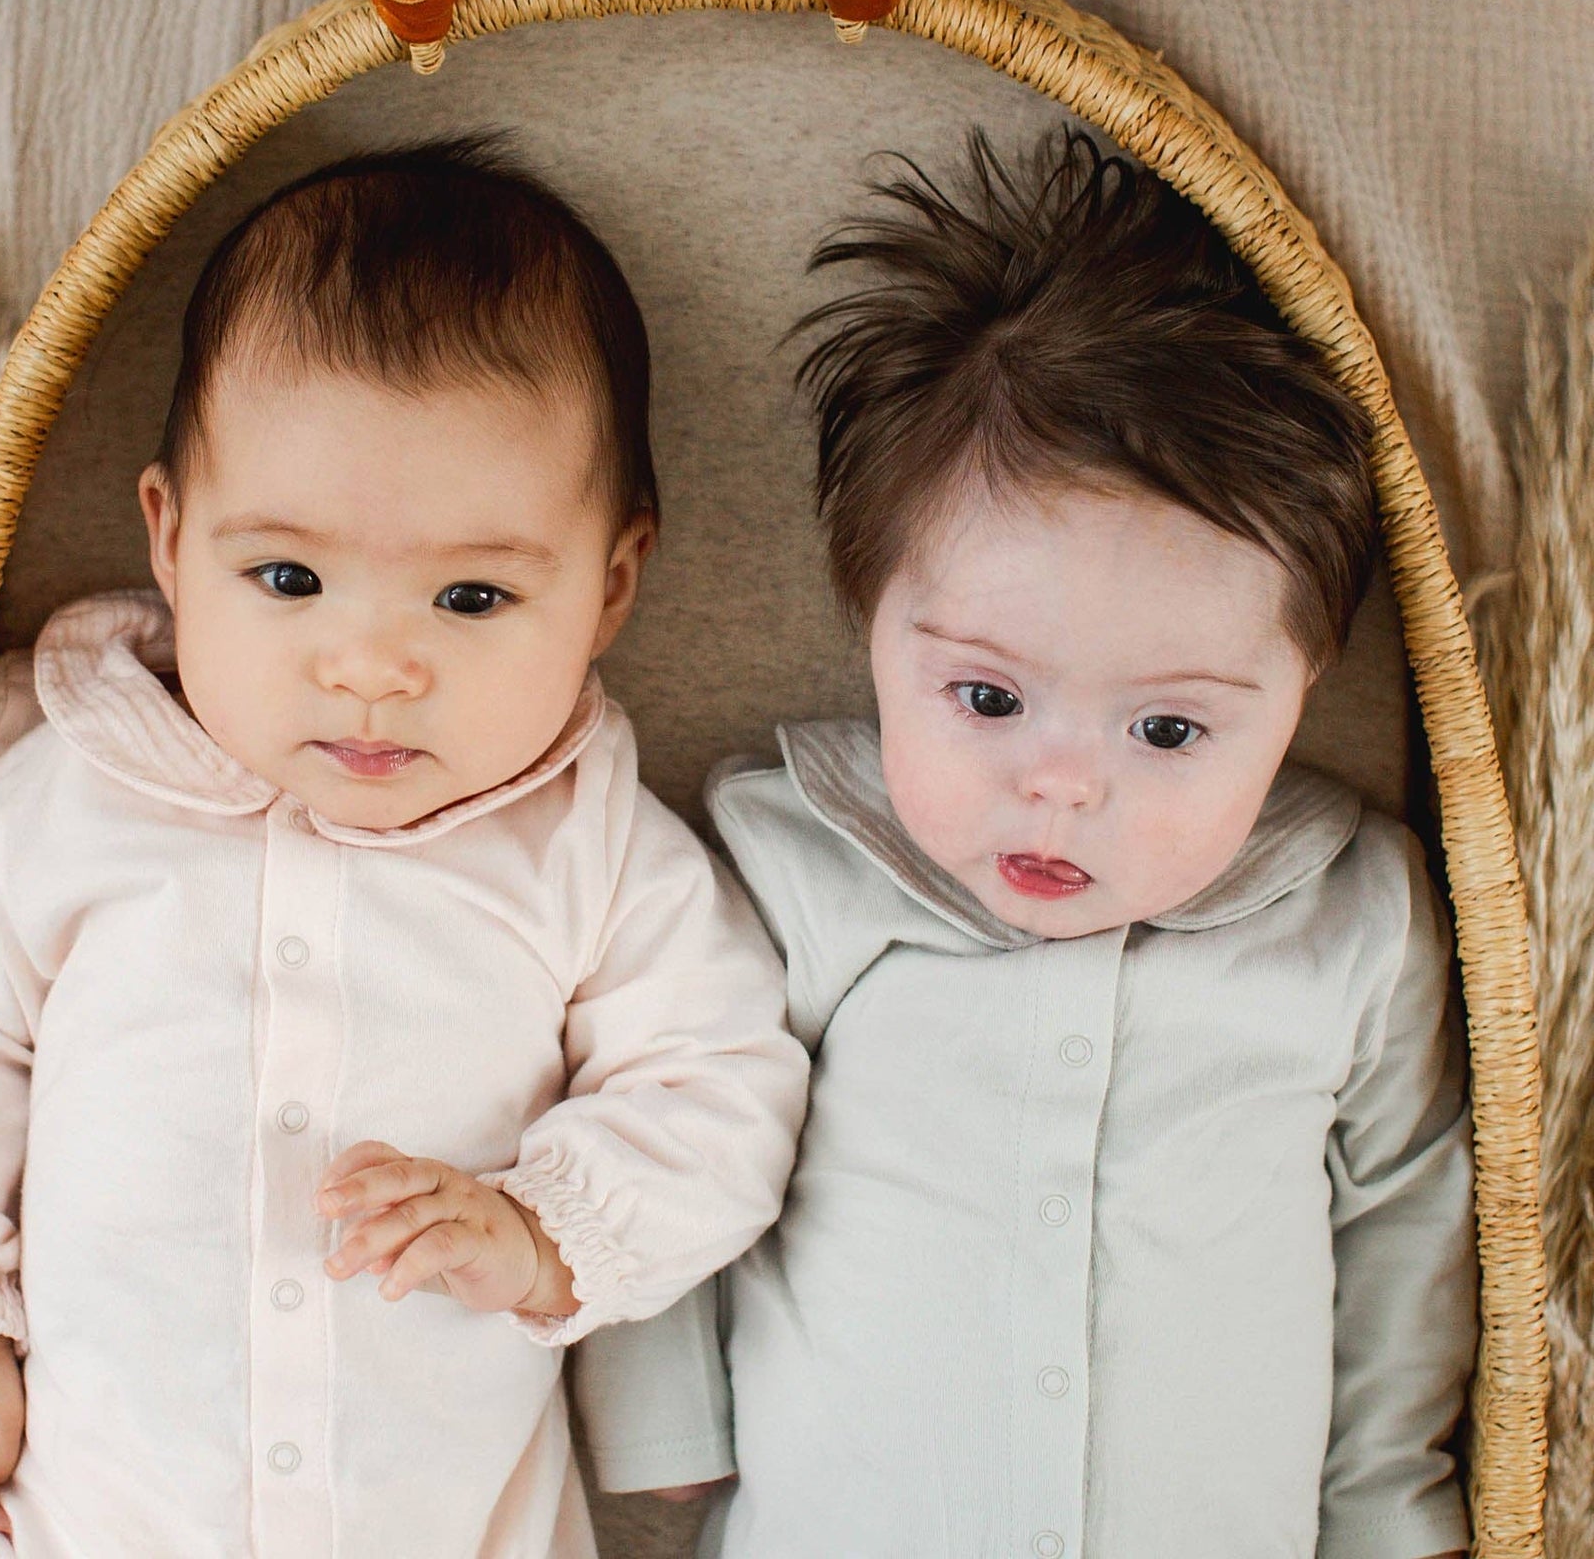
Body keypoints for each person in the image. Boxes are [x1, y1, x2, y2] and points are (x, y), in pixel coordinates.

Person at [0, 140, 809, 1559]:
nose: (373, 668)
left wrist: (542, 1233)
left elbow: (725, 1083)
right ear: (170, 538)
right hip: (103, 1509)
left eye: (471, 597)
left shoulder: (587, 842)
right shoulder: (61, 781)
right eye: (289, 578)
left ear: (613, 586)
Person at [576, 129, 1475, 1558]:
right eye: (988, 700)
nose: (1059, 787)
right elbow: (669, 1120)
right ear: (873, 628)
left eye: (1168, 730)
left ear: (1305, 689)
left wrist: (1386, 1506)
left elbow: (1406, 1228)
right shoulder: (790, 864)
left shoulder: (1350, 917)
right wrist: (661, 1416)